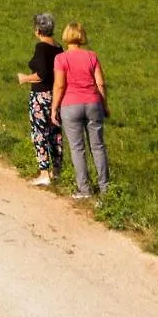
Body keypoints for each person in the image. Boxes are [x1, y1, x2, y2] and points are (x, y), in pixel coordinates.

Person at [51, 22, 110, 199]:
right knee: (98, 147)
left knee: (77, 149)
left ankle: (84, 189)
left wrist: (54, 108)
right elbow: (100, 82)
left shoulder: (61, 58)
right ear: (82, 36)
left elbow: (60, 85)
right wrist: (104, 105)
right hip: (93, 103)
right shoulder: (92, 56)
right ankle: (105, 187)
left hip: (71, 105)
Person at [15, 13, 63, 186]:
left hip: (40, 96)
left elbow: (42, 74)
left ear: (38, 30)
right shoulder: (58, 47)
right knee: (55, 132)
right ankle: (56, 171)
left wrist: (25, 78)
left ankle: (44, 173)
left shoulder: (41, 47)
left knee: (39, 133)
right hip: (55, 95)